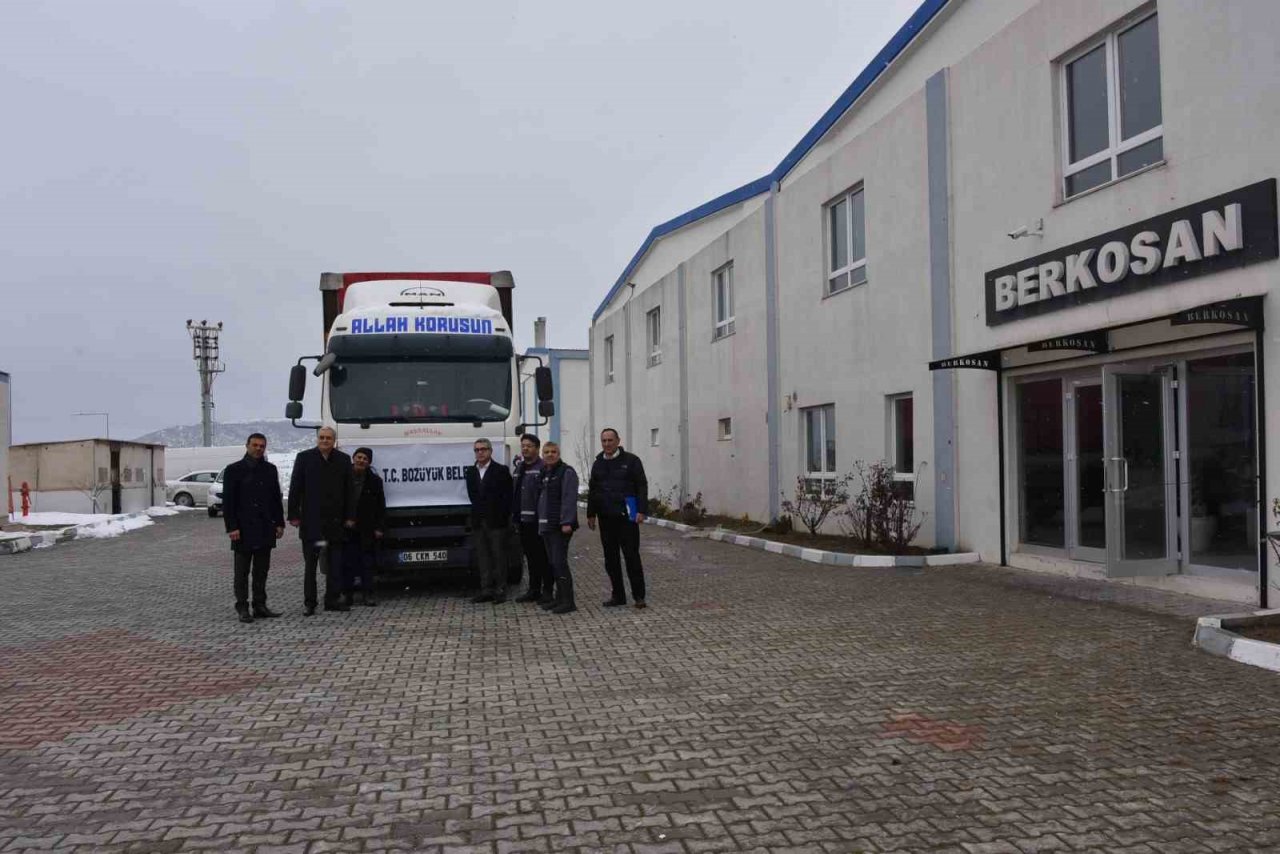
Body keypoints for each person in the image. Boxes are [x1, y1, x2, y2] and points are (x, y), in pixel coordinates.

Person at [288, 426, 354, 615]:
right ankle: (310, 602)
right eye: (322, 437)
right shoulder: (304, 458)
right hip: (312, 524)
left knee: (335, 565)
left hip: (335, 524)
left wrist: (350, 516)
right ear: (317, 439)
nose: (325, 441)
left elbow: (349, 491)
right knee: (311, 565)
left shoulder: (342, 460)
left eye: (328, 438)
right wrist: (293, 514)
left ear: (334, 441)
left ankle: (332, 600)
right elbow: (295, 487)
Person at [222, 433, 285, 623]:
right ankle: (242, 607)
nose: (258, 448)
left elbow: (276, 499)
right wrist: (232, 527)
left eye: (262, 446)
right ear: (247, 446)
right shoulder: (233, 470)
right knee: (241, 572)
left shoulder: (270, 470)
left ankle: (260, 605)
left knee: (261, 571)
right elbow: (228, 502)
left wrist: (279, 522)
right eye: (255, 445)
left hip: (265, 527)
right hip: (242, 529)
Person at [586, 427, 650, 609]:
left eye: (610, 440)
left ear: (618, 441)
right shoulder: (598, 463)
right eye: (604, 441)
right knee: (610, 560)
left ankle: (639, 596)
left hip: (627, 519)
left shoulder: (631, 461)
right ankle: (618, 595)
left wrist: (641, 510)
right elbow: (593, 491)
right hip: (606, 519)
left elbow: (641, 486)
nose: (607, 444)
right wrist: (591, 514)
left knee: (631, 557)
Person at [465, 438, 513, 604]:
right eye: (477, 450)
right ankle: (486, 589)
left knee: (499, 557)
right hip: (479, 521)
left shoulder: (501, 470)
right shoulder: (470, 472)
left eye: (483, 449)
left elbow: (507, 497)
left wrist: (503, 518)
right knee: (483, 557)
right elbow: (473, 496)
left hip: (497, 522)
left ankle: (500, 590)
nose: (480, 452)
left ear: (490, 451)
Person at [537, 441, 579, 614]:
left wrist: (567, 522)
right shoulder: (544, 472)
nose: (550, 454)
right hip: (547, 526)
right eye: (546, 452)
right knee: (553, 563)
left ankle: (568, 602)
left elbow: (569, 498)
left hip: (560, 527)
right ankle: (558, 598)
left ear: (559, 453)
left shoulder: (566, 472)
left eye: (553, 451)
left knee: (559, 563)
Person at [511, 433, 552, 605]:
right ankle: (533, 590)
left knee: (544, 558)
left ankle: (548, 591)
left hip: (538, 521)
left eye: (529, 446)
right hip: (523, 521)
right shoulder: (519, 468)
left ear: (536, 448)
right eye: (523, 446)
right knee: (531, 558)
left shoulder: (543, 467)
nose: (525, 449)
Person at [343, 446, 386, 607]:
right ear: (353, 458)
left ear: (369, 463)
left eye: (365, 459)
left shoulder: (375, 481)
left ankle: (368, 594)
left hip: (367, 528)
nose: (361, 460)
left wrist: (379, 527)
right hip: (347, 527)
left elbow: (381, 506)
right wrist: (345, 519)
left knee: (367, 564)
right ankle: (347, 595)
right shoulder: (343, 477)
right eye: (359, 457)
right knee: (347, 563)